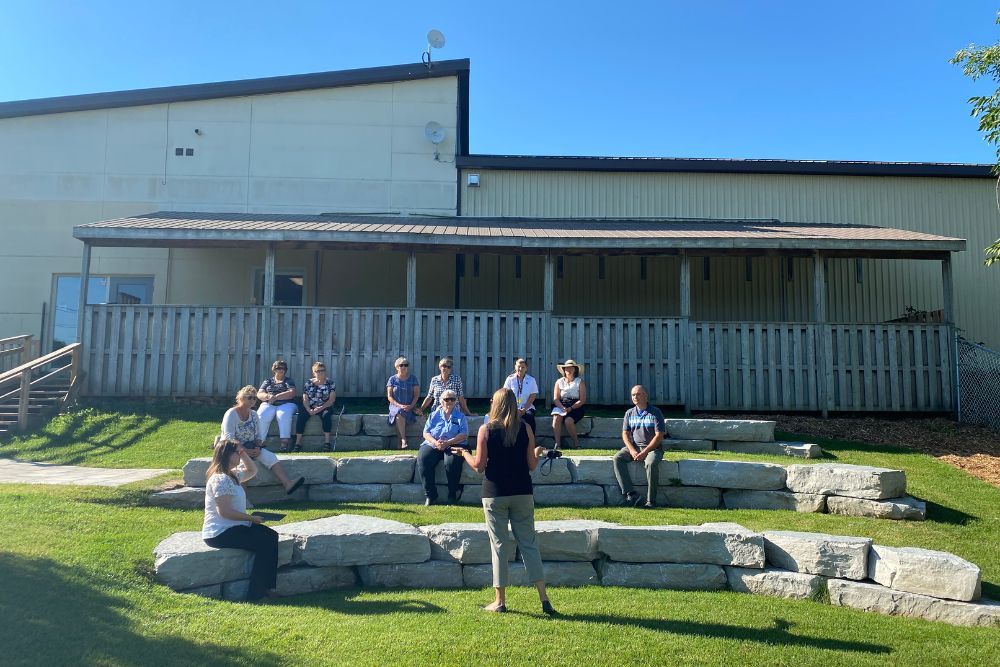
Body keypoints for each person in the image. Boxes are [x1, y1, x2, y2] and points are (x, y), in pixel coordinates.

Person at [457, 388, 555, 616]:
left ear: (496, 404)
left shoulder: (486, 430)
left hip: (495, 493)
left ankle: (499, 601)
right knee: (529, 544)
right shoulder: (526, 428)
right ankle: (543, 597)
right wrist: (537, 451)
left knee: (499, 546)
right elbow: (531, 465)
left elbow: (479, 466)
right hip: (522, 491)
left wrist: (464, 455)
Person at [202, 439, 280, 602]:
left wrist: (243, 453)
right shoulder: (220, 479)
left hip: (234, 526)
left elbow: (252, 470)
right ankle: (256, 594)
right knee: (264, 543)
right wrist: (251, 518)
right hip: (220, 532)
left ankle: (268, 587)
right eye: (237, 453)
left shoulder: (234, 475)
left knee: (271, 536)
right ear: (227, 455)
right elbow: (224, 512)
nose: (240, 455)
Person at [221, 385, 305, 495]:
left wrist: (257, 447)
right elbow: (229, 438)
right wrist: (244, 451)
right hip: (231, 448)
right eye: (249, 397)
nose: (252, 400)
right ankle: (243, 499)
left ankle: (288, 484)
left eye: (254, 398)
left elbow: (259, 436)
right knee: (244, 465)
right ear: (241, 398)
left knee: (271, 457)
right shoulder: (231, 413)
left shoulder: (254, 414)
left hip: (251, 447)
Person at [613, 385, 666, 509]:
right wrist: (631, 450)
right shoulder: (629, 413)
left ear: (646, 396)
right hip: (635, 447)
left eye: (638, 394)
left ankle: (650, 501)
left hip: (653, 448)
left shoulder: (655, 412)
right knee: (617, 458)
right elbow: (625, 433)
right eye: (633, 395)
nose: (635, 397)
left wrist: (646, 451)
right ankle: (631, 494)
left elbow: (659, 435)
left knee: (651, 464)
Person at [417, 389, 469, 506]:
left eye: (452, 399)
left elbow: (463, 434)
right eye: (446, 399)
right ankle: (430, 495)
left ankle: (452, 494)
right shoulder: (433, 415)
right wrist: (436, 443)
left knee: (451, 462)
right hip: (434, 443)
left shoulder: (460, 416)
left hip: (456, 444)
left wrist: (448, 443)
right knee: (423, 459)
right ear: (441, 401)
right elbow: (426, 433)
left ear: (456, 401)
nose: (449, 401)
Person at [294, 361, 337, 451]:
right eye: (318, 371)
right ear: (314, 373)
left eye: (323, 370)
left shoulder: (330, 383)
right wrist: (308, 409)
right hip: (310, 406)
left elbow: (331, 400)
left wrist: (320, 408)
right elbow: (305, 398)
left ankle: (327, 443)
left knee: (326, 416)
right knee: (301, 416)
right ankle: (297, 443)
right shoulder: (308, 383)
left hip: (325, 406)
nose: (321, 373)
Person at [257, 360, 298, 452]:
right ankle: (260, 442)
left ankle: (284, 443)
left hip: (287, 403)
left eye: (283, 368)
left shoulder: (288, 381)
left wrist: (276, 397)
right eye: (279, 368)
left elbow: (292, 393)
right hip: (269, 403)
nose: (281, 370)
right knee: (261, 415)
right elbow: (259, 393)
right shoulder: (268, 381)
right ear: (274, 369)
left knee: (283, 415)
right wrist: (268, 396)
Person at [551, 359, 587, 449]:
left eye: (571, 368)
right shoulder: (559, 382)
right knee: (556, 419)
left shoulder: (580, 382)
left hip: (576, 406)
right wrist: (562, 407)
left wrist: (570, 408)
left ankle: (576, 444)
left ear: (575, 369)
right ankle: (557, 445)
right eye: (566, 368)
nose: (569, 370)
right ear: (564, 370)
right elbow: (556, 398)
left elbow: (582, 400)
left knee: (568, 421)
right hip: (561, 404)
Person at [387, 356, 421, 449]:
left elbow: (416, 395)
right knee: (399, 412)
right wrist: (398, 405)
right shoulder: (392, 379)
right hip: (395, 405)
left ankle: (399, 442)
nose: (403, 367)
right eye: (401, 365)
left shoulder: (413, 378)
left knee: (400, 414)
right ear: (397, 367)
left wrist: (411, 406)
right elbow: (389, 396)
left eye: (405, 365)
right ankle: (403, 439)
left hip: (409, 405)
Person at [503, 358, 538, 434]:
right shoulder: (510, 379)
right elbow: (505, 394)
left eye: (523, 367)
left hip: (527, 407)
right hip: (512, 407)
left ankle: (531, 441)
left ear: (526, 368)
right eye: (518, 366)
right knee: (509, 419)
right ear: (515, 367)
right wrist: (514, 408)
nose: (520, 369)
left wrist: (524, 409)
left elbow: (533, 396)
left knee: (529, 417)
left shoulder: (531, 380)